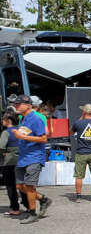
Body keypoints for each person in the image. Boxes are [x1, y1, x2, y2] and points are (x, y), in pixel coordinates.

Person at [10, 95, 52, 224]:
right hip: (23, 157)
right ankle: (43, 199)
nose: (16, 106)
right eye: (15, 104)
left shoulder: (36, 119)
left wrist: (23, 138)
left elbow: (44, 139)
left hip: (34, 157)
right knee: (19, 186)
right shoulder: (23, 118)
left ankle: (32, 212)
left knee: (29, 186)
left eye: (19, 104)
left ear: (28, 105)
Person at [0, 108, 28, 215]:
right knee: (22, 183)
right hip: (23, 160)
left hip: (9, 162)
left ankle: (15, 208)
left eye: (3, 119)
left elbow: (1, 147)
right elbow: (30, 141)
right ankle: (28, 205)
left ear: (8, 120)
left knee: (11, 185)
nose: (2, 121)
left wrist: (3, 154)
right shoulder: (23, 129)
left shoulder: (6, 133)